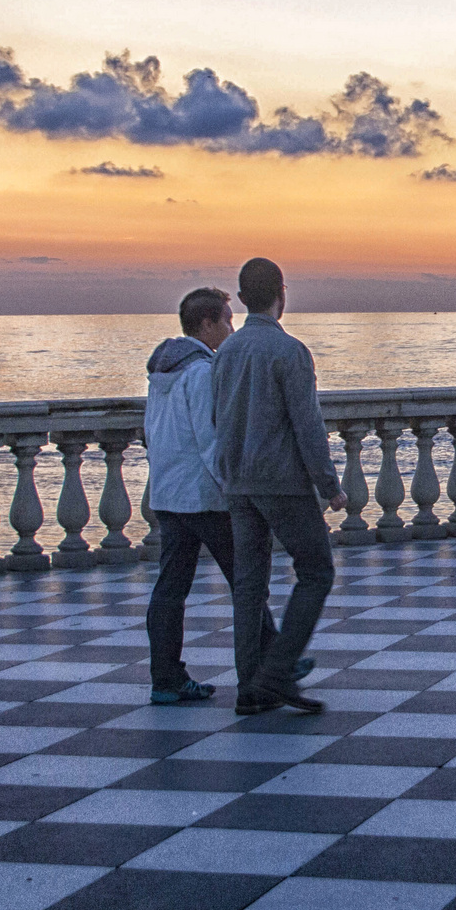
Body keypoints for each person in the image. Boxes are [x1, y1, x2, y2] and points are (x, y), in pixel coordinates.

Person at [213, 258, 346, 714]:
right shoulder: (289, 351)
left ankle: (250, 687)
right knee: (316, 571)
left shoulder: (225, 352)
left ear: (243, 297)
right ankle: (276, 673)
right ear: (281, 294)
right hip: (281, 482)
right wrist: (329, 485)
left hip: (237, 483)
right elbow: (307, 426)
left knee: (249, 587)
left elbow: (218, 419)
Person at [142, 287, 244, 704]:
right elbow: (211, 439)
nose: (232, 326)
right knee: (246, 579)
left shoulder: (162, 372)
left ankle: (165, 679)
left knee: (170, 589)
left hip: (168, 494)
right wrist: (233, 489)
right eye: (226, 318)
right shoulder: (201, 373)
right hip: (203, 496)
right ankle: (279, 660)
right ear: (207, 324)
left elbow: (152, 433)